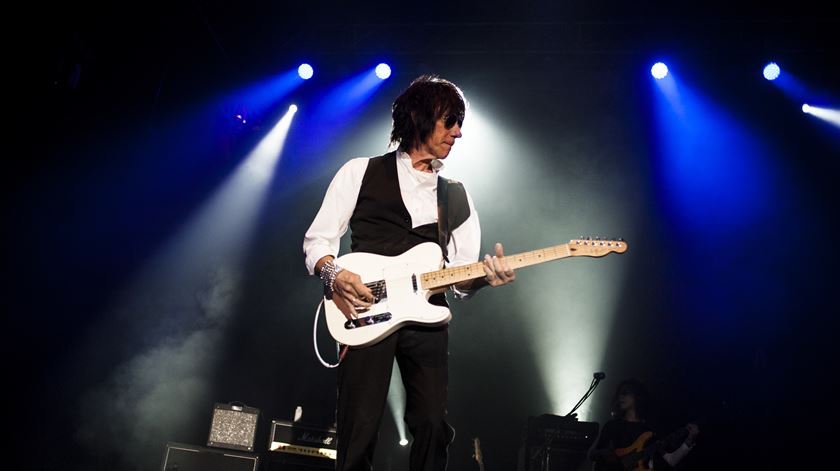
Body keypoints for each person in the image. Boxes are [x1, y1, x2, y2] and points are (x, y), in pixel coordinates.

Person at [303, 75, 515, 471]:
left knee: (434, 424)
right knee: (359, 425)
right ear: (421, 117)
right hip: (365, 306)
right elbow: (317, 241)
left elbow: (461, 277)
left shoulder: (455, 194)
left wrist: (485, 278)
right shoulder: (359, 171)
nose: (459, 132)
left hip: (427, 314)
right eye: (450, 121)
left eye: (460, 122)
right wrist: (334, 275)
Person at [590, 379, 699, 470]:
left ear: (637, 396)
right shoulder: (612, 426)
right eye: (619, 393)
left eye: (625, 392)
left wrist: (689, 440)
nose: (620, 397)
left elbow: (670, 460)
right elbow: (591, 454)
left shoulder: (649, 430)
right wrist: (604, 454)